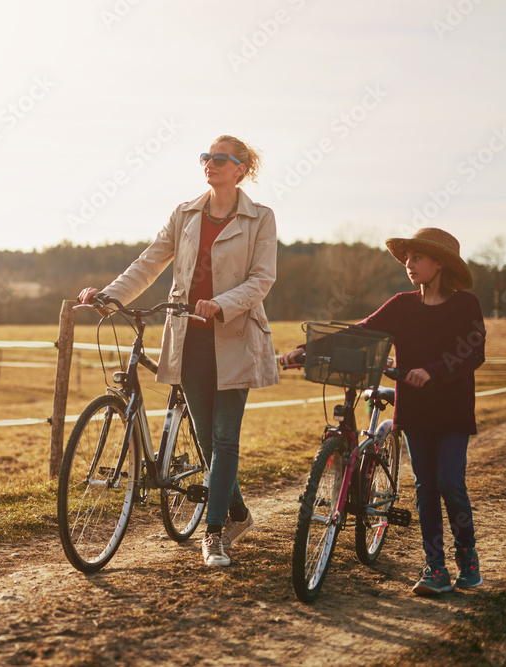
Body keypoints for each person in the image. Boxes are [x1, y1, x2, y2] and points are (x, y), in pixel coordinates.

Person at [79, 134, 280, 567]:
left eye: (221, 158)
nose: (210, 163)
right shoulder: (185, 214)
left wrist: (221, 304)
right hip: (189, 338)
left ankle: (214, 533)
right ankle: (240, 513)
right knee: (209, 441)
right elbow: (150, 261)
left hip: (234, 338)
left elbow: (262, 279)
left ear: (241, 168)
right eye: (206, 156)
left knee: (224, 437)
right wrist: (113, 296)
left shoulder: (260, 218)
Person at [280, 227, 485, 595]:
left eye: (417, 257)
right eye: (407, 257)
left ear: (440, 263)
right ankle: (434, 568)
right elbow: (362, 332)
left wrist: (433, 371)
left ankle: (467, 556)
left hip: (452, 409)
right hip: (416, 409)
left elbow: (474, 352)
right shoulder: (402, 305)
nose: (409, 263)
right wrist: (306, 350)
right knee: (425, 487)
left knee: (450, 483)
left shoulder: (465, 306)